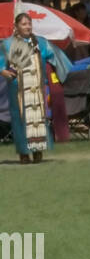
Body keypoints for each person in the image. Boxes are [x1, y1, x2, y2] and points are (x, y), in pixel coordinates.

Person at [0, 11, 70, 162]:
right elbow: (1, 62)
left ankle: (38, 151)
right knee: (20, 120)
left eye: (29, 23)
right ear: (16, 26)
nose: (27, 27)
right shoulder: (7, 43)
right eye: (24, 24)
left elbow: (55, 55)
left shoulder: (41, 42)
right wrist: (3, 71)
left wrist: (61, 70)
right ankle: (24, 153)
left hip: (36, 88)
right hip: (17, 88)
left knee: (37, 119)